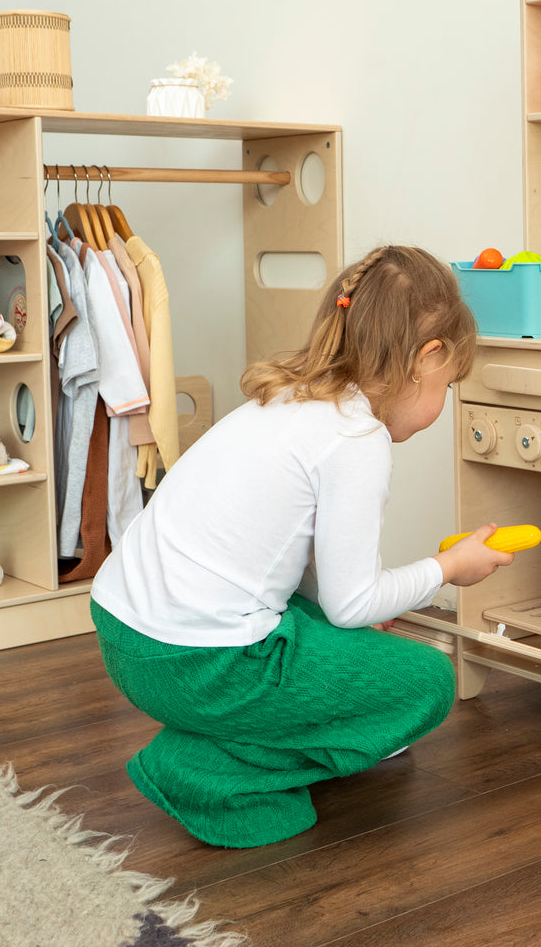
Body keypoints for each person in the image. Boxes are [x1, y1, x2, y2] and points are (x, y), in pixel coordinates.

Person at [89, 244, 513, 848]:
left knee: (350, 641)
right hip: (197, 663)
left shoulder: (293, 398)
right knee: (429, 683)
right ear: (427, 357)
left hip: (126, 635)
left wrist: (365, 615)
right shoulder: (356, 437)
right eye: (448, 384)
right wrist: (448, 567)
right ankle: (207, 769)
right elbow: (348, 604)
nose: (443, 404)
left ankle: (219, 740)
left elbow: (305, 573)